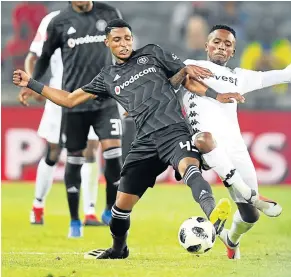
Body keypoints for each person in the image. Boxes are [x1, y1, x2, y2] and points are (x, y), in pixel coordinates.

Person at [12, 18, 255, 259]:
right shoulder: (107, 77)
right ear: (107, 43)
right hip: (144, 143)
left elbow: (187, 78)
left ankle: (214, 215)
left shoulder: (152, 54)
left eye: (127, 38)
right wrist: (32, 83)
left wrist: (213, 93)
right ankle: (119, 249)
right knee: (120, 208)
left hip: (173, 130)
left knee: (190, 168)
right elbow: (69, 99)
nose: (124, 43)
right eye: (117, 40)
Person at [180, 14, 291, 259]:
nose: (221, 46)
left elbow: (287, 75)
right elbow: (168, 79)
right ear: (207, 46)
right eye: (216, 42)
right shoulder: (190, 65)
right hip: (204, 144)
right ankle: (252, 196)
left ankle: (232, 238)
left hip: (235, 149)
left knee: (250, 216)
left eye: (227, 44)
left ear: (232, 51)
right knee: (203, 139)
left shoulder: (240, 77)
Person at [18, 1, 124, 238]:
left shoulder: (107, 14)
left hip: (99, 96)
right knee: (55, 152)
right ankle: (38, 205)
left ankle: (89, 211)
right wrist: (34, 85)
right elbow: (36, 56)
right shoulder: (54, 21)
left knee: (94, 149)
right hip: (61, 93)